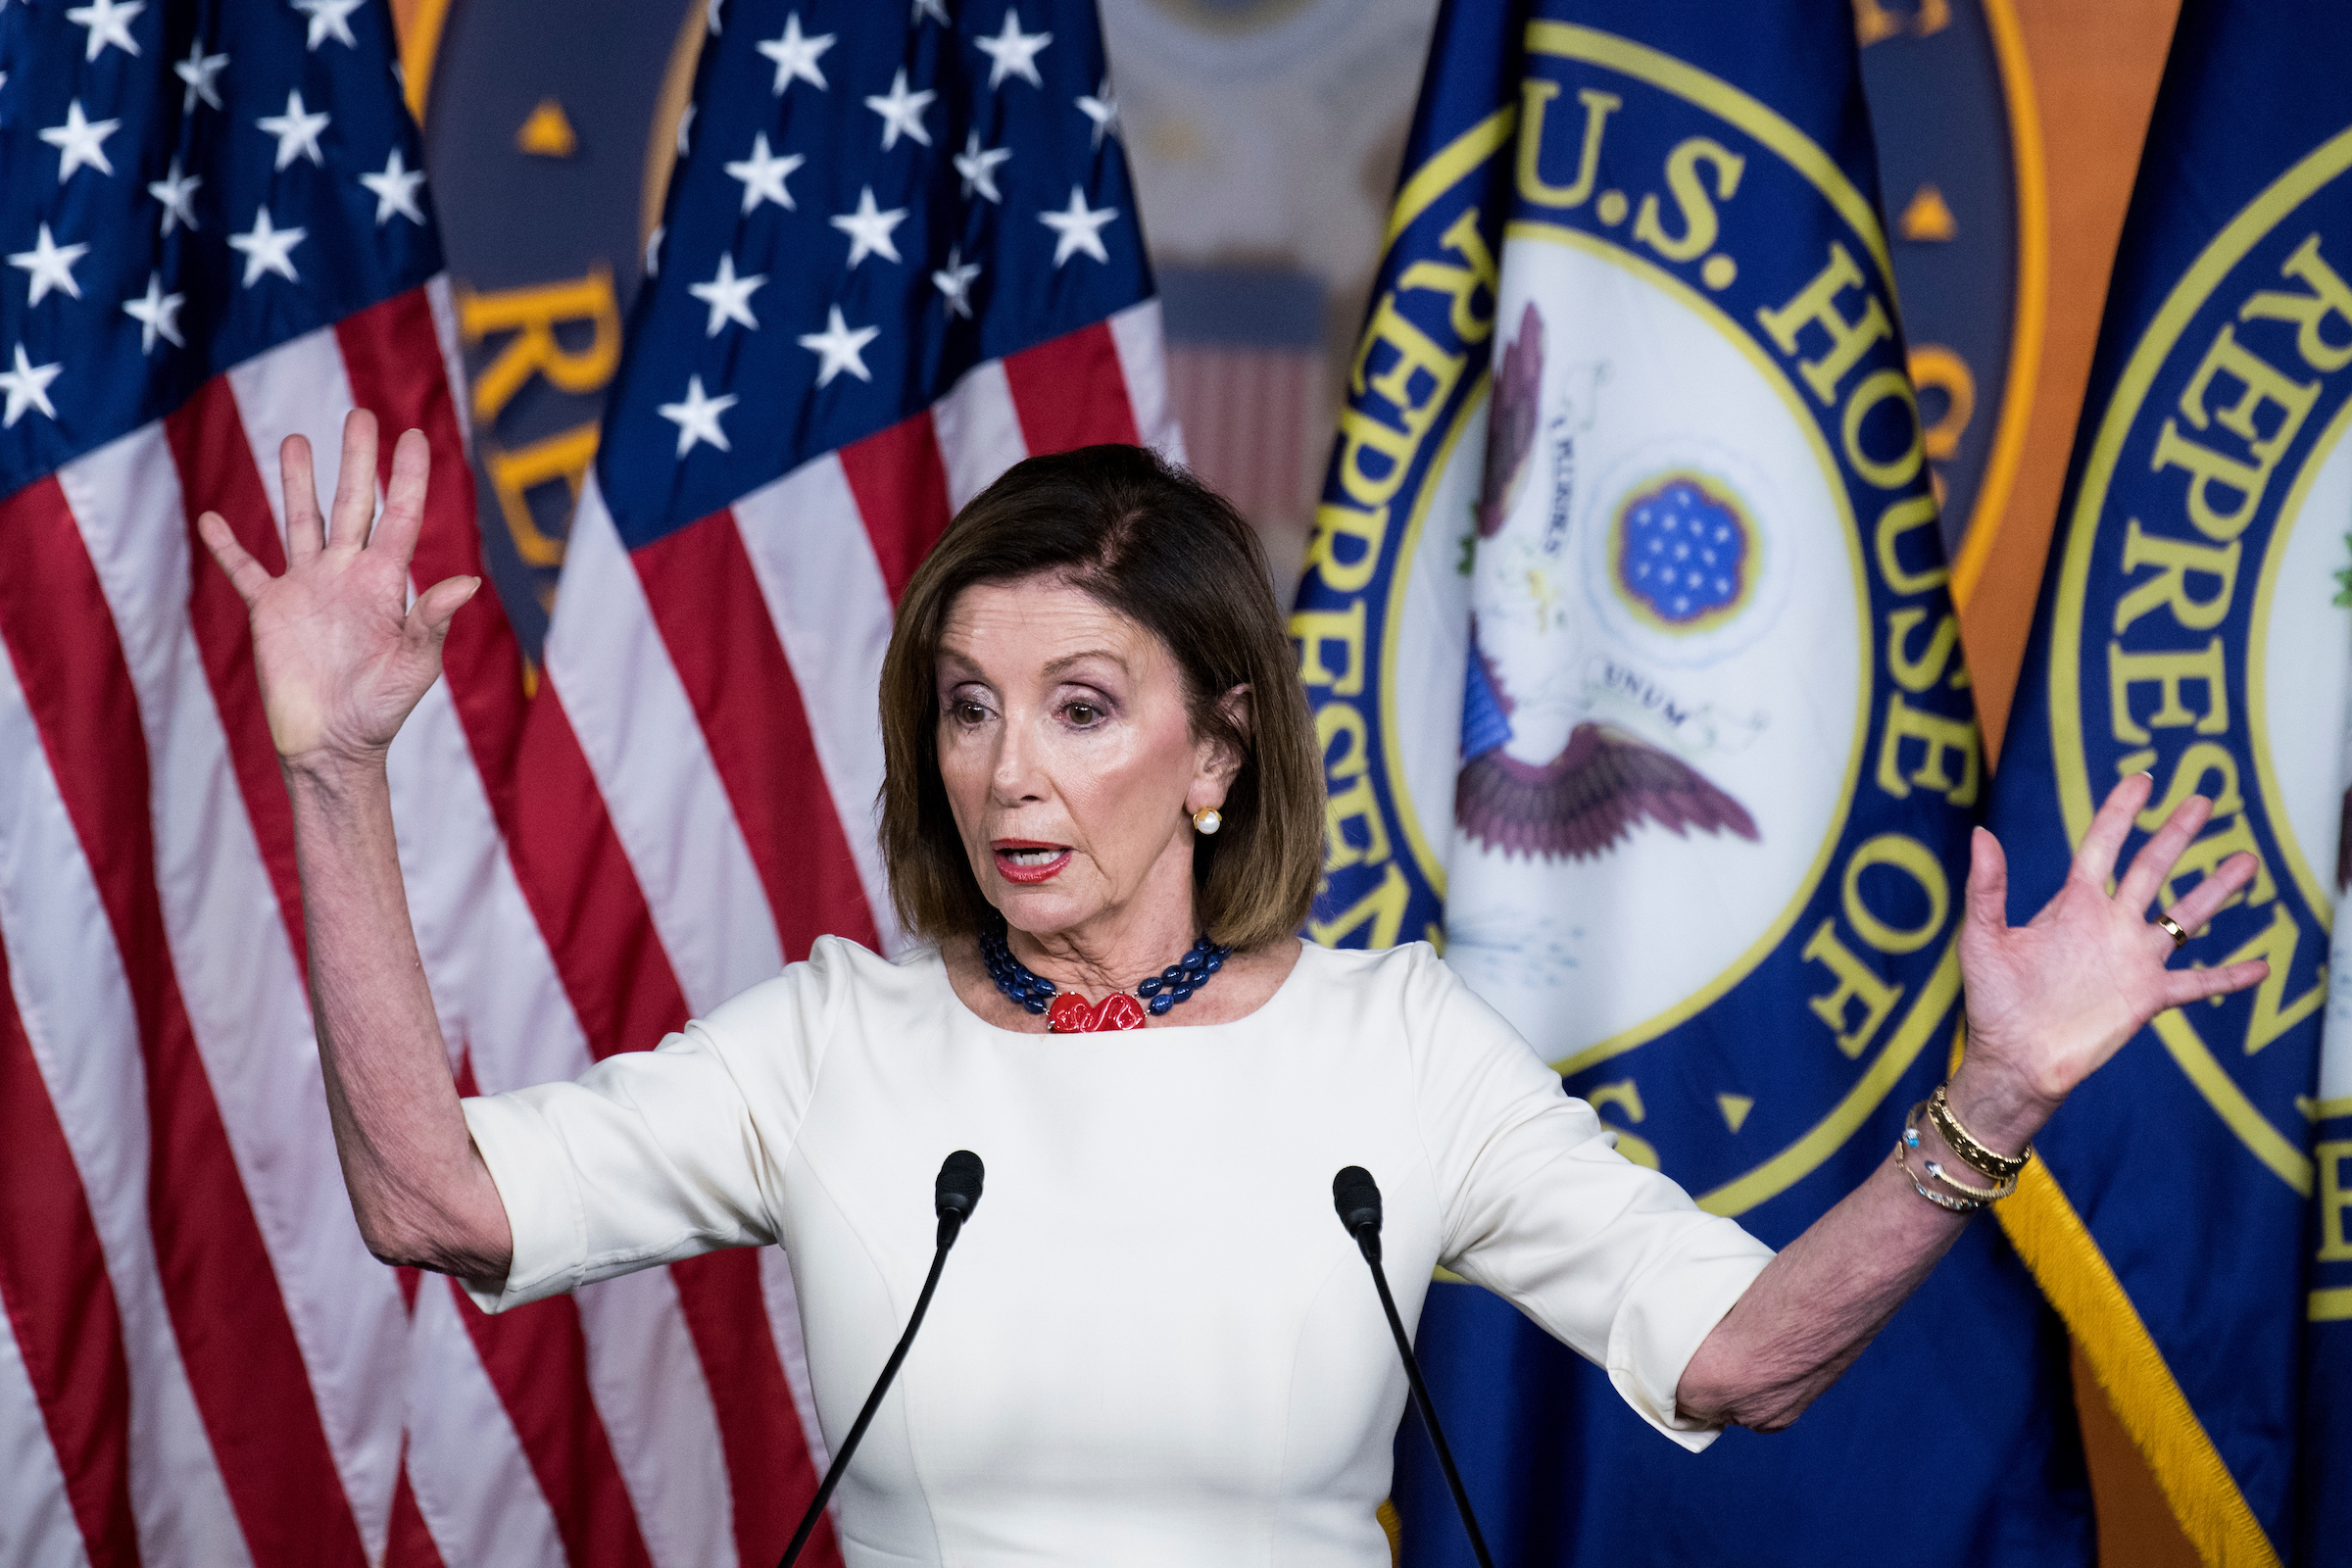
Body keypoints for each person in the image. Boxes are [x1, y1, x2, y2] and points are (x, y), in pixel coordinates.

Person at [201, 414, 2265, 1567]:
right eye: (968, 707)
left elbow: (1735, 1357)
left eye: (1082, 706)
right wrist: (334, 767)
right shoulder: (834, 1041)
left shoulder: (1393, 1049)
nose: (1009, 768)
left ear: (1215, 748)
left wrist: (1988, 1099)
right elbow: (436, 1199)